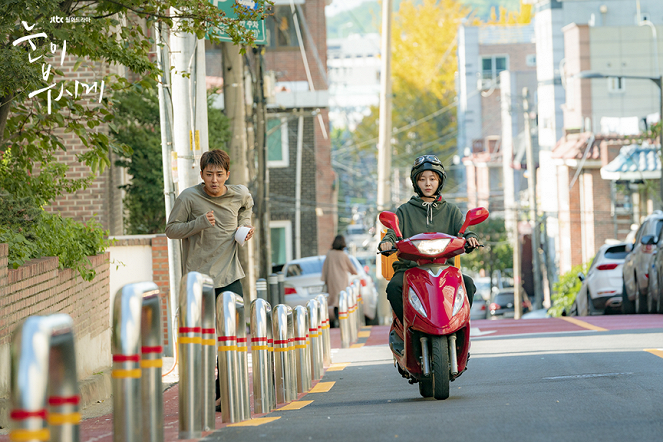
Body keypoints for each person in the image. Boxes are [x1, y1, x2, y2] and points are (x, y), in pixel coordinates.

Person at [165, 149, 254, 410]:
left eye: (219, 174)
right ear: (201, 174)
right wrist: (199, 223)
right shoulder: (189, 197)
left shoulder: (239, 193)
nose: (214, 180)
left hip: (229, 276)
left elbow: (247, 205)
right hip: (198, 282)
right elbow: (171, 230)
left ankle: (222, 392)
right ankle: (204, 393)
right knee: (203, 341)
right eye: (208, 174)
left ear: (227, 174)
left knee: (232, 337)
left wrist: (245, 226)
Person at [378, 154, 479, 324]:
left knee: (468, 283)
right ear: (415, 183)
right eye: (422, 179)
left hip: (444, 269)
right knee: (393, 287)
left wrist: (471, 238)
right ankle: (407, 328)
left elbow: (464, 229)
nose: (427, 183)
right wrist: (386, 242)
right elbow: (392, 231)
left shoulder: (451, 211)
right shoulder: (404, 210)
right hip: (409, 269)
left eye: (432, 178)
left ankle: (460, 327)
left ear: (440, 181)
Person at [321, 235, 358, 326]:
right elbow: (353, 270)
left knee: (335, 302)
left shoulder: (329, 254)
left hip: (332, 281)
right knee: (342, 300)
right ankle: (342, 321)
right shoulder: (344, 255)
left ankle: (337, 321)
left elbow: (325, 268)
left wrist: (325, 280)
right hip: (342, 281)